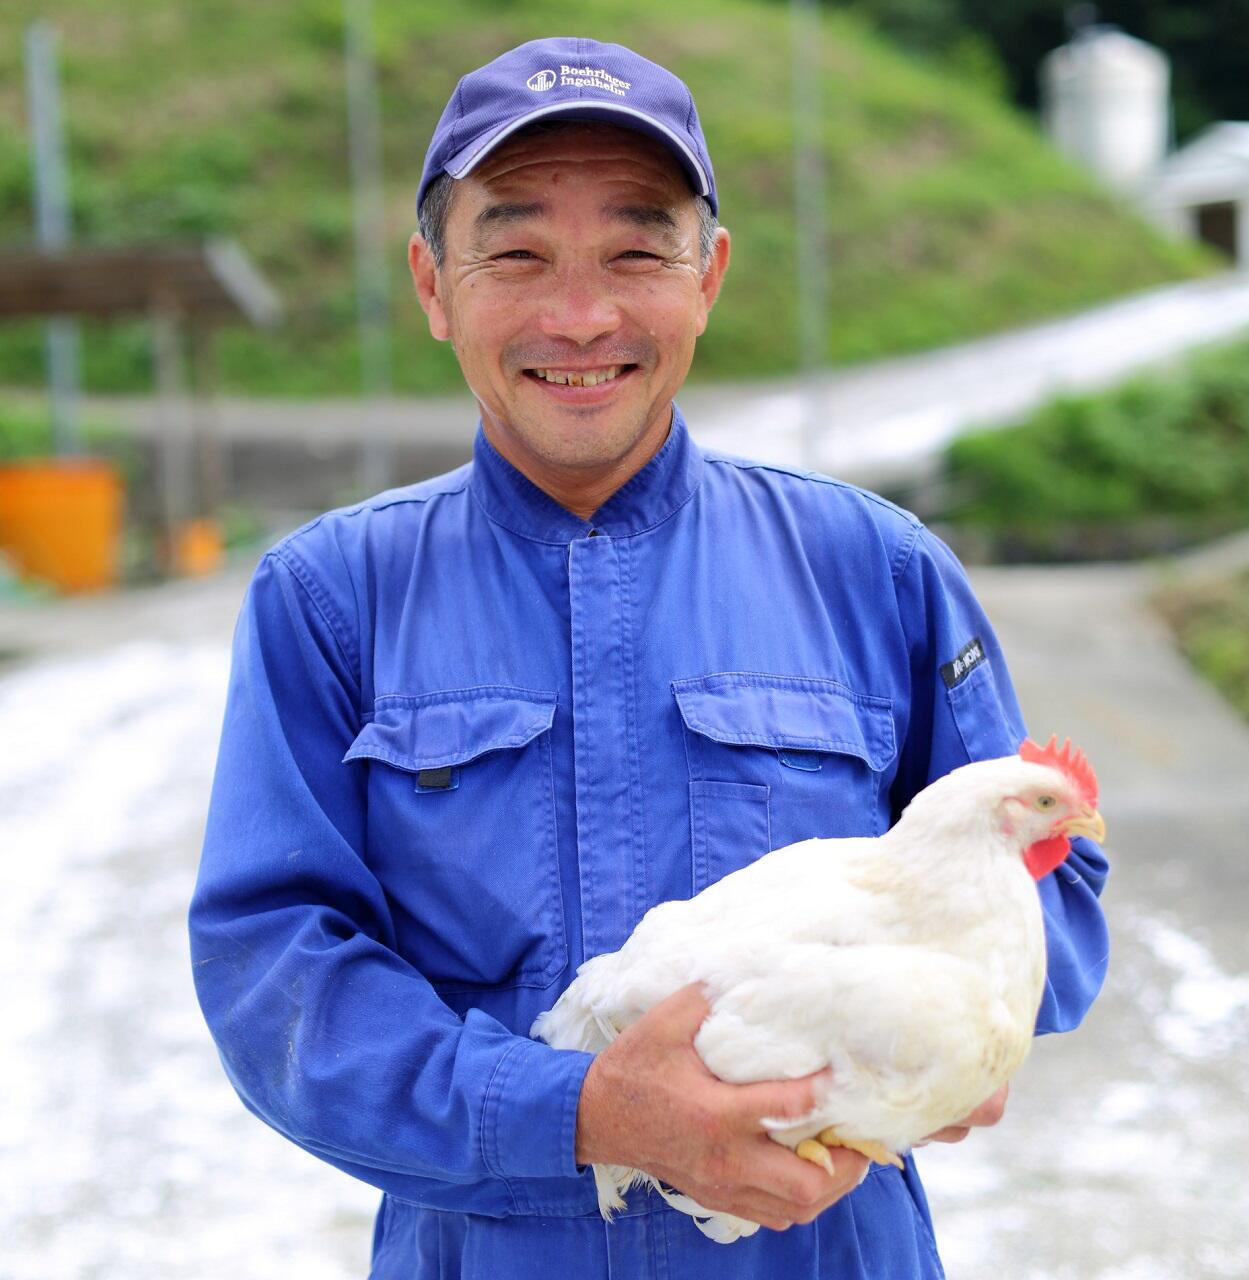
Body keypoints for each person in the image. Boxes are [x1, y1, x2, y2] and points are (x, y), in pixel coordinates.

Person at [189, 36, 1109, 1279]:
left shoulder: (874, 568)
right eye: (516, 253)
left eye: (636, 251)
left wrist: (967, 1016)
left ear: (708, 275)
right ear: (431, 283)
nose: (582, 316)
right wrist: (577, 1112)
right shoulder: (330, 598)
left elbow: (1052, 873)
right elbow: (276, 967)